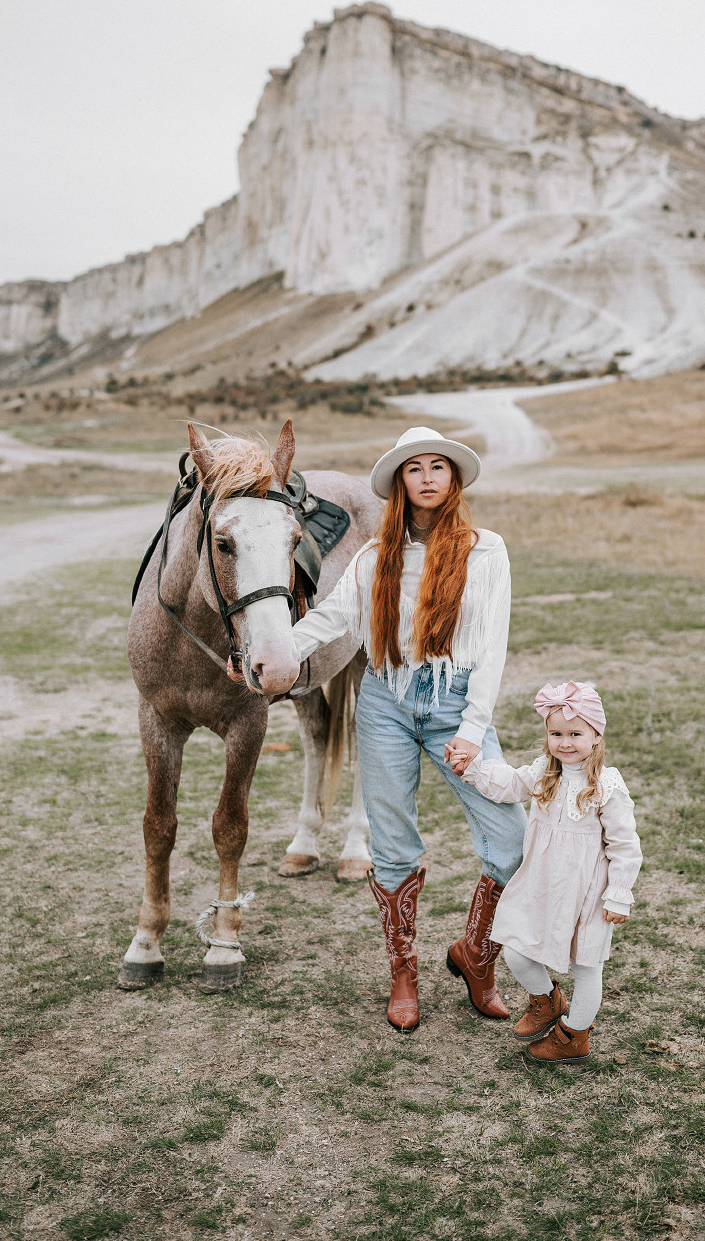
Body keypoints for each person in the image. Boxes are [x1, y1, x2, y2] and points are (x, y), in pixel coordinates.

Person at [287, 426, 525, 1032]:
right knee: (392, 847)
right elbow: (334, 618)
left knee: (512, 841)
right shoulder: (373, 558)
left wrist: (473, 727)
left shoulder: (486, 551)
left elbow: (493, 646)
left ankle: (476, 956)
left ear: (453, 479)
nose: (424, 477)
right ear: (399, 483)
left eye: (436, 467)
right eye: (412, 468)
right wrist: (279, 651)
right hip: (386, 704)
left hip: (455, 706)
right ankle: (403, 973)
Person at [447, 679, 642, 1065]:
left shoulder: (606, 785)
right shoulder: (543, 773)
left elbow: (625, 845)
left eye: (575, 733)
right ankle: (547, 1000)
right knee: (517, 948)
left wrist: (618, 892)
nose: (565, 742)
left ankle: (574, 1036)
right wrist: (472, 768)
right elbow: (507, 784)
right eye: (556, 734)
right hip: (542, 882)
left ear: (597, 736)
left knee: (587, 966)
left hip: (587, 892)